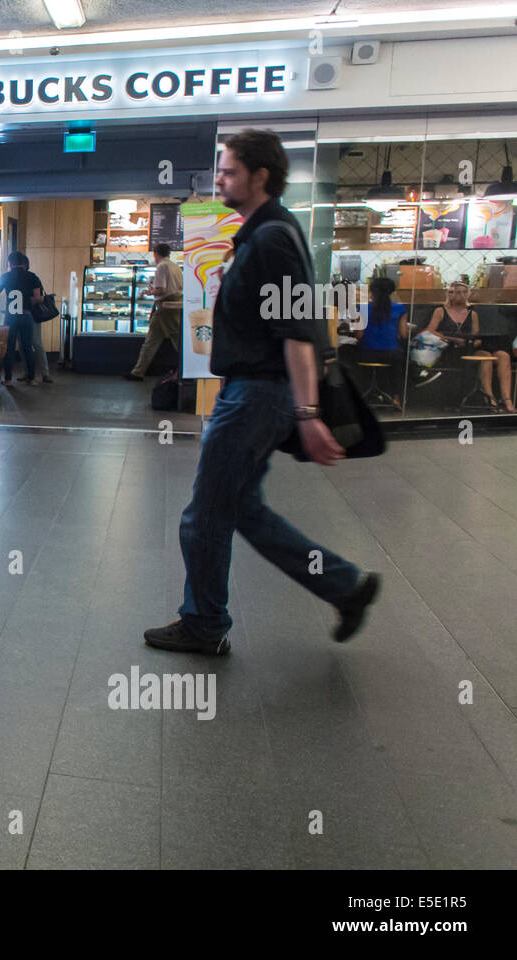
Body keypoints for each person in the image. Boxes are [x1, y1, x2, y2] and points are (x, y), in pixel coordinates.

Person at [144, 129, 380, 655]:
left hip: (257, 395)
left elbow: (298, 330)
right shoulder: (260, 234)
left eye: (229, 170)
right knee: (243, 509)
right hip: (250, 392)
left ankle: (204, 624)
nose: (220, 178)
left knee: (203, 515)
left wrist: (307, 413)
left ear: (260, 176)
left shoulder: (273, 238)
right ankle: (346, 586)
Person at [425, 281, 513, 412]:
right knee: (486, 359)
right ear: (450, 294)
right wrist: (451, 338)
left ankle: (507, 399)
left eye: (463, 292)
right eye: (456, 292)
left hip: (469, 348)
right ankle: (490, 399)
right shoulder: (440, 311)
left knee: (502, 356)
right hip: (450, 350)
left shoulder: (472, 314)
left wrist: (474, 342)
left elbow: (475, 336)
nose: (460, 295)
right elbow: (430, 330)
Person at [0, 251, 45, 385]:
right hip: (26, 316)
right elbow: (37, 299)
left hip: (11, 317)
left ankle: (8, 379)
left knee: (9, 348)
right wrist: (30, 302)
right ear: (24, 263)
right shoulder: (33, 277)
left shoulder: (5, 277)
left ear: (10, 263)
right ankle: (32, 378)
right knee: (28, 347)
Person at [127, 242, 184, 381]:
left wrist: (150, 291)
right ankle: (137, 372)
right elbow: (180, 286)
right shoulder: (175, 266)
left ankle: (138, 372)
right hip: (175, 305)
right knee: (158, 340)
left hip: (165, 308)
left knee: (163, 341)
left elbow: (162, 289)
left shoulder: (161, 266)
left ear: (156, 254)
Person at [354, 276, 409, 409]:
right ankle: (397, 398)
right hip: (391, 355)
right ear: (391, 292)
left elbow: (359, 335)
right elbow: (403, 334)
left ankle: (360, 397)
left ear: (371, 292)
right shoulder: (400, 309)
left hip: (367, 354)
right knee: (400, 361)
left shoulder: (362, 308)